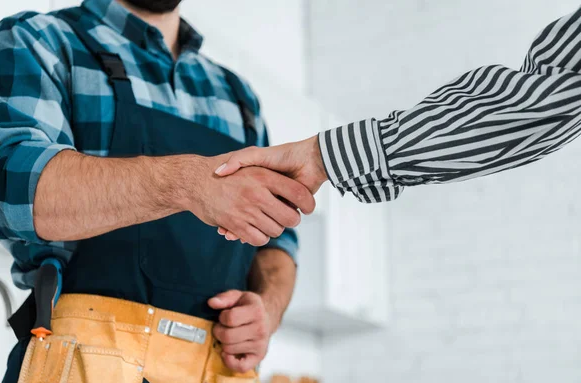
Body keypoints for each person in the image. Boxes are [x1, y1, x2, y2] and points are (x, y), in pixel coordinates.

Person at [0, 0, 316, 383]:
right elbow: (8, 188)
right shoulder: (41, 41)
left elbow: (278, 240)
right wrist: (186, 184)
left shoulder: (238, 97)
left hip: (220, 379)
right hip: (84, 375)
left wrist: (267, 309)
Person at [214, 7, 581, 241]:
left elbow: (548, 99)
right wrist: (321, 156)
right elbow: (547, 97)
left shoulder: (237, 91)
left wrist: (322, 156)